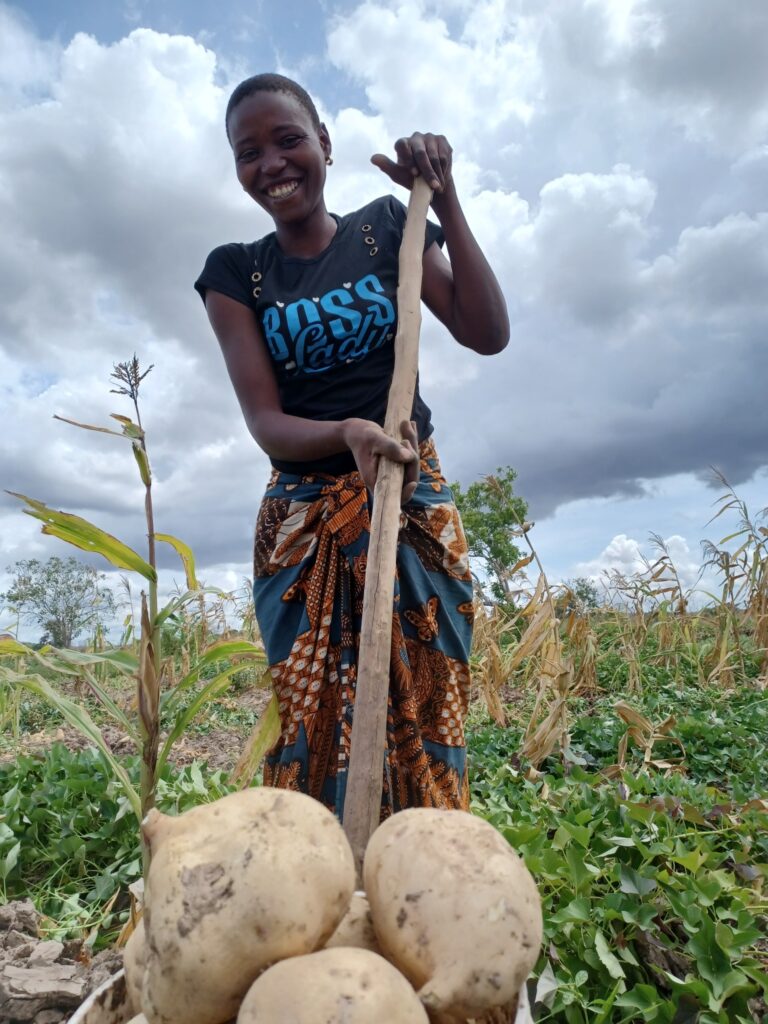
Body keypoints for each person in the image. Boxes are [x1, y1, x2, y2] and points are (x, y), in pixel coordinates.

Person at [194, 73, 508, 821]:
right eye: (249, 152)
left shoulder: (384, 230)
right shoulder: (238, 274)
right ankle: (322, 883)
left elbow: (485, 332)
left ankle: (421, 871)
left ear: (325, 145)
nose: (271, 162)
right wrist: (343, 434)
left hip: (410, 498)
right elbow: (266, 422)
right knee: (313, 725)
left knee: (430, 709)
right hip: (305, 522)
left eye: (288, 139)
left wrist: (445, 195)